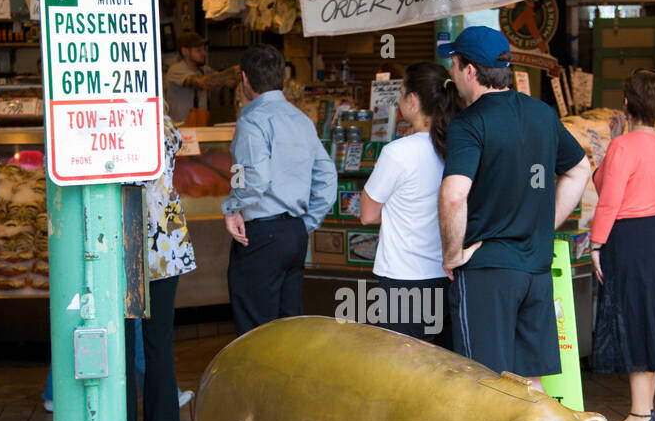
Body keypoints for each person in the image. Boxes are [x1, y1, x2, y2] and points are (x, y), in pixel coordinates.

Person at [437, 26, 590, 383]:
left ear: (470, 70)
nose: (451, 72)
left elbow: (454, 194)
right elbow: (580, 169)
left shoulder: (469, 123)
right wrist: (543, 224)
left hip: (487, 272)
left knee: (485, 381)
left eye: (454, 64)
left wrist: (452, 254)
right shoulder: (542, 114)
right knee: (531, 381)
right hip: (535, 268)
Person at [224, 44, 337, 335]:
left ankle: (259, 383)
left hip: (261, 236)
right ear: (280, 78)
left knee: (256, 333)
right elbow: (327, 179)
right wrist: (304, 224)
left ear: (245, 79)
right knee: (289, 330)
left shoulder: (251, 121)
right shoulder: (300, 119)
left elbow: (253, 177)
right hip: (294, 235)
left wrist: (232, 207)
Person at [589, 71, 655, 421]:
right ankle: (647, 408)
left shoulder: (623, 147)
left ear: (627, 103)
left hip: (626, 236)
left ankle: (641, 414)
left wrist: (596, 244)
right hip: (653, 234)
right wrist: (613, 143)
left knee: (632, 317)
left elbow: (608, 198)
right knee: (651, 314)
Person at [359, 62, 460, 345]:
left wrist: (398, 211)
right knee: (446, 367)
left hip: (404, 282)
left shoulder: (397, 153)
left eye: (402, 93)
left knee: (403, 375)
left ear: (412, 101)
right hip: (448, 278)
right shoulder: (460, 146)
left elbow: (367, 214)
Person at [125, 114, 196, 421]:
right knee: (158, 344)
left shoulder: (110, 119)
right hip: (166, 242)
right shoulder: (162, 120)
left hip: (121, 239)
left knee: (121, 347)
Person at [163, 32, 239, 124]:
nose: (204, 53)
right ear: (185, 51)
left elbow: (230, 82)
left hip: (201, 127)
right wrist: (232, 71)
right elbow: (202, 84)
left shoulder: (205, 70)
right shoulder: (176, 70)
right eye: (199, 50)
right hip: (181, 129)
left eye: (204, 49)